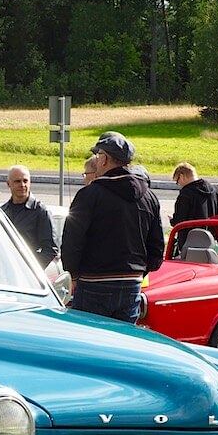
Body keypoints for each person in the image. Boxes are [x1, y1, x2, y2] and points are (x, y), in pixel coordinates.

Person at [60, 131, 164, 324]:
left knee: (91, 343)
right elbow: (157, 249)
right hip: (132, 283)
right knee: (122, 345)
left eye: (98, 156)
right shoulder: (149, 197)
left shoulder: (89, 195)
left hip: (94, 283)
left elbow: (72, 241)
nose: (97, 161)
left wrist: (72, 275)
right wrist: (139, 272)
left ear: (105, 159)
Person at [0, 165, 60, 269]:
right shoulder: (2, 212)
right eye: (17, 181)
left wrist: (30, 270)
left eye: (25, 181)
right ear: (8, 184)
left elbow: (51, 249)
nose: (22, 185)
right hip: (5, 270)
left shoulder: (41, 211)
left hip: (27, 276)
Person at [170, 162, 218, 254]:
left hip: (190, 244)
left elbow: (180, 220)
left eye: (177, 181)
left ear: (182, 176)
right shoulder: (212, 190)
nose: (179, 184)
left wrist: (172, 220)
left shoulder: (186, 194)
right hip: (209, 242)